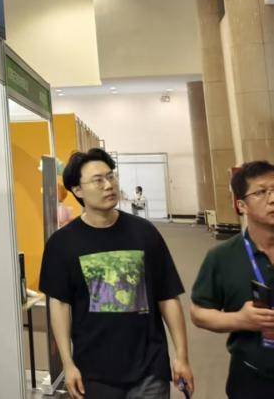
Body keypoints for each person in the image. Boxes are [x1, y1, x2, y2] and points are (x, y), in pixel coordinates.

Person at [40, 148, 194, 399]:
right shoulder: (62, 244)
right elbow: (60, 305)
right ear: (77, 190)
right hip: (94, 371)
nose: (108, 185)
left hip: (149, 368)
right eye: (97, 180)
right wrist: (68, 364)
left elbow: (168, 296)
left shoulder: (145, 232)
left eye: (110, 176)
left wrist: (182, 356)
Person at [191, 160, 274, 398]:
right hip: (252, 377)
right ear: (241, 205)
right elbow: (198, 313)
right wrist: (240, 319)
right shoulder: (223, 257)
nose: (272, 198)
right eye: (261, 192)